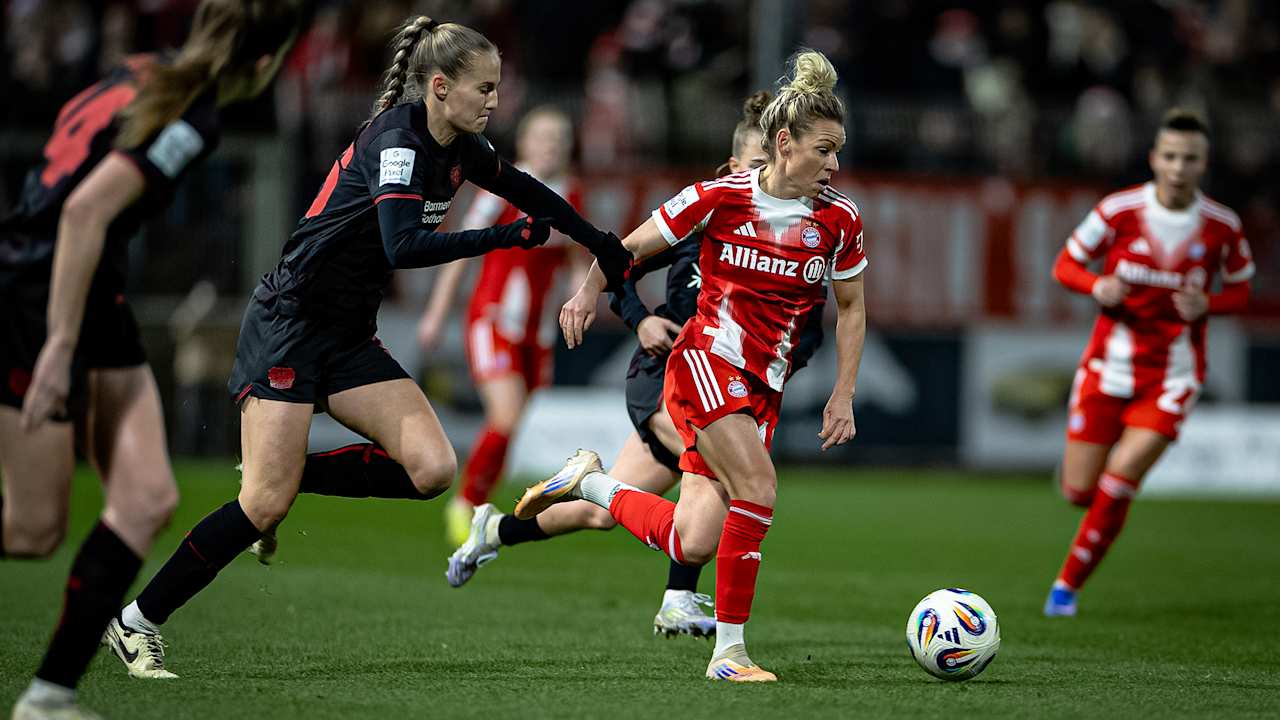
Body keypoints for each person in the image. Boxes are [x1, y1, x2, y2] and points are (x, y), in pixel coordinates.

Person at [101, 14, 629, 680]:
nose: (496, 100)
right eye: (485, 88)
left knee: (430, 471)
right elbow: (401, 247)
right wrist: (502, 238)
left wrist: (601, 243)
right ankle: (135, 622)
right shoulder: (398, 142)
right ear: (440, 86)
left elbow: (528, 191)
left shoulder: (462, 147)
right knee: (262, 506)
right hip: (289, 324)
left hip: (347, 335)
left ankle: (286, 478)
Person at [515, 50, 867, 682]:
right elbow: (627, 249)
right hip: (704, 365)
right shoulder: (717, 198)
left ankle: (591, 483)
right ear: (784, 144)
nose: (835, 164)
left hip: (765, 386)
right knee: (759, 488)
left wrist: (843, 393)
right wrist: (587, 291)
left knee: (693, 540)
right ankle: (729, 655)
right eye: (825, 149)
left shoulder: (838, 219)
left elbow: (852, 306)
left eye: (839, 150)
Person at [0, 2, 306, 717]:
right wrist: (60, 342)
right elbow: (81, 212)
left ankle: (47, 698)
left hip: (83, 285)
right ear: (263, 63)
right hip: (41, 294)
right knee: (32, 526)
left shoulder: (136, 73)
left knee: (145, 500)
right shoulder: (192, 117)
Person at [445, 91, 826, 640]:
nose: (767, 175)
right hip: (666, 374)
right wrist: (640, 319)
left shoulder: (794, 243)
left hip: (733, 388)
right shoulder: (706, 221)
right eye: (756, 164)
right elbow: (620, 262)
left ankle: (496, 529)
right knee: (731, 477)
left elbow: (809, 327)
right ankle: (681, 600)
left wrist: (777, 362)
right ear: (734, 168)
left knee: (605, 510)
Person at [1043, 108, 1254, 617]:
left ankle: (1064, 590)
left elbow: (1242, 288)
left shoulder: (1221, 226)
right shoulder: (1119, 210)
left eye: (1191, 159)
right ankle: (1085, 487)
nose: (1179, 167)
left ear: (1204, 164)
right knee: (1079, 492)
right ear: (1154, 158)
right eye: (1171, 156)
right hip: (1106, 368)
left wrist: (1212, 304)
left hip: (1172, 378)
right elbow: (1065, 264)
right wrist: (1097, 285)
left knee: (1121, 477)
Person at [416, 105, 589, 547]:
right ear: (525, 144)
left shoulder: (570, 191)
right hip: (493, 319)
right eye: (543, 137)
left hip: (538, 333)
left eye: (559, 139)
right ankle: (465, 502)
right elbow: (461, 250)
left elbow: (574, 255)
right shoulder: (501, 188)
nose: (551, 146)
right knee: (506, 414)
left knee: (512, 421)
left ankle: (478, 506)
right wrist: (437, 311)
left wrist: (578, 293)